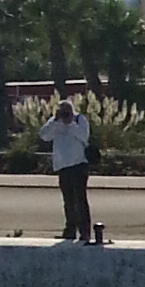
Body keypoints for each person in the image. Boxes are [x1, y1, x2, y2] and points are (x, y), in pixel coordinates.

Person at [44, 90, 93, 242]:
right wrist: (55, 120)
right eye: (62, 111)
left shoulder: (79, 119)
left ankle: (85, 231)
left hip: (79, 164)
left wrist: (71, 123)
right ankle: (70, 230)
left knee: (80, 199)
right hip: (63, 166)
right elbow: (44, 136)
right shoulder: (55, 122)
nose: (65, 114)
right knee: (68, 200)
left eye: (67, 111)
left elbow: (84, 137)